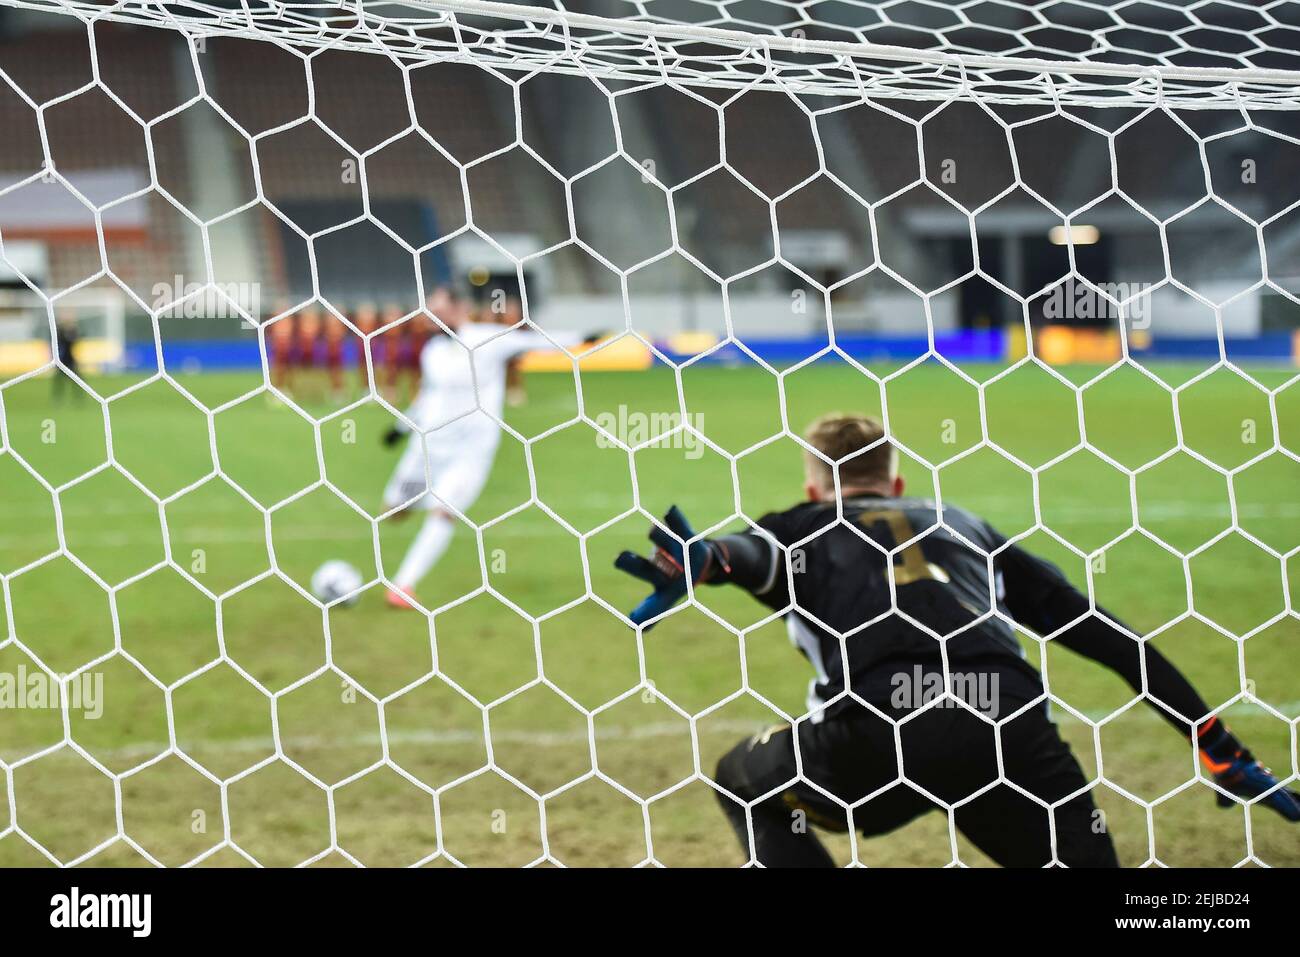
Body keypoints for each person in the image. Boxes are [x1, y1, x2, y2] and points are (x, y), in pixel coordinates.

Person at [614, 413, 1300, 866]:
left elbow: (747, 554)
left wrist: (707, 559)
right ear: (898, 482)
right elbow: (1109, 638)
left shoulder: (801, 525)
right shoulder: (965, 524)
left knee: (741, 781)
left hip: (875, 737)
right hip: (1006, 730)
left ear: (816, 489)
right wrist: (1216, 745)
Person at [380, 288, 598, 608]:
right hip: (426, 450)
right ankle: (404, 523)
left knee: (444, 511)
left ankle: (402, 586)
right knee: (394, 511)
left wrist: (583, 336)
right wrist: (400, 428)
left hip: (470, 451)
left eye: (438, 310)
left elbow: (534, 342)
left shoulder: (488, 339)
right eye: (430, 312)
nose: (432, 318)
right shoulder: (433, 351)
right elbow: (428, 395)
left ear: (460, 308)